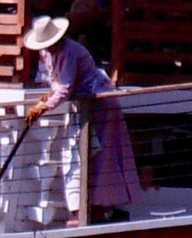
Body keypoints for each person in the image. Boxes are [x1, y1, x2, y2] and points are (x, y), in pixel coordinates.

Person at [22, 15, 143, 221]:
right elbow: (56, 80)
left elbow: (66, 87)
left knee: (103, 156)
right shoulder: (46, 53)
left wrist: (44, 106)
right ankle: (86, 208)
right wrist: (49, 95)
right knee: (80, 155)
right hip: (83, 106)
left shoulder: (71, 52)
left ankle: (100, 207)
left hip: (100, 104)